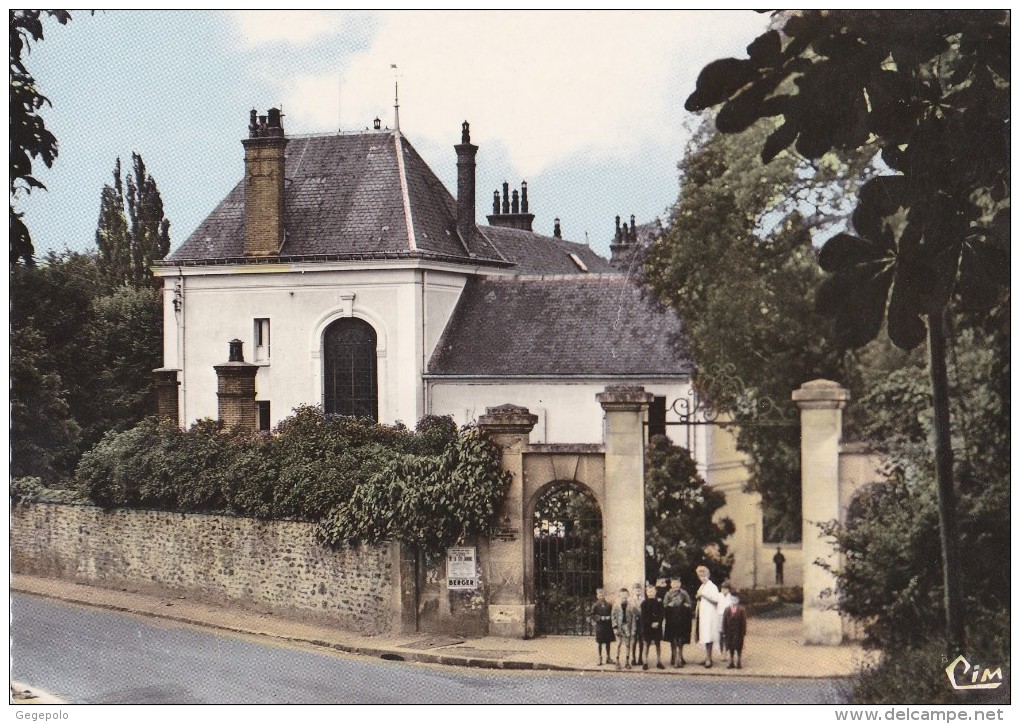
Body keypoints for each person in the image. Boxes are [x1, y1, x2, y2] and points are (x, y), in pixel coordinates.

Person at [694, 565, 723, 668]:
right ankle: (706, 656)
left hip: (710, 615)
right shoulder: (702, 586)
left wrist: (703, 595)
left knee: (709, 635)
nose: (703, 578)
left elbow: (716, 600)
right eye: (700, 576)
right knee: (704, 635)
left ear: (708, 575)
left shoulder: (712, 586)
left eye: (704, 575)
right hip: (703, 615)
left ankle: (709, 659)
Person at [662, 578, 693, 668]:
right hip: (671, 619)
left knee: (680, 639)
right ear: (671, 584)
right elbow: (664, 605)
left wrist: (686, 605)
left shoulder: (684, 593)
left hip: (682, 619)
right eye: (673, 583)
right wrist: (669, 605)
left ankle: (680, 657)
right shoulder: (668, 594)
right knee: (673, 639)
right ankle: (674, 656)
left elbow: (690, 604)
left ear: (680, 583)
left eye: (677, 583)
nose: (676, 585)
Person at [611, 586, 638, 669]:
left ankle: (627, 661)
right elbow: (613, 617)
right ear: (619, 596)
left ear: (628, 595)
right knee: (618, 644)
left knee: (627, 644)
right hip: (619, 627)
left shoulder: (631, 606)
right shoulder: (616, 605)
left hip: (627, 627)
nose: (624, 597)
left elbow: (634, 618)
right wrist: (615, 627)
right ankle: (617, 660)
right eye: (622, 595)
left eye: (625, 595)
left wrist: (633, 629)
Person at [640, 584, 666, 670]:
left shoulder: (659, 602)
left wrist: (658, 622)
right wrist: (650, 623)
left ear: (655, 592)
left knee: (658, 644)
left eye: (652, 591)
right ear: (646, 592)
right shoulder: (644, 603)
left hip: (657, 626)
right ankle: (645, 662)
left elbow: (662, 614)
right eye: (649, 591)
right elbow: (643, 616)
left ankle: (659, 661)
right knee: (646, 644)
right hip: (647, 627)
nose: (651, 593)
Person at [722, 594, 748, 669]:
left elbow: (744, 622)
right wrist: (724, 632)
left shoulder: (741, 610)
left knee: (738, 647)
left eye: (735, 599)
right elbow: (724, 622)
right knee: (730, 647)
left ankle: (739, 661)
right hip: (729, 632)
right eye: (732, 599)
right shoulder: (727, 610)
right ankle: (731, 662)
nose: (733, 601)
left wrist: (743, 632)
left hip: (738, 632)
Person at [591, 588, 615, 665]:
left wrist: (609, 617)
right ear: (597, 596)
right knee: (600, 643)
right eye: (599, 594)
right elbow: (592, 616)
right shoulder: (595, 605)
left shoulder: (609, 605)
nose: (601, 596)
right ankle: (600, 658)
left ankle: (608, 657)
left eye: (602, 594)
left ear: (605, 595)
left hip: (607, 626)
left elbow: (612, 614)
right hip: (600, 627)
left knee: (608, 643)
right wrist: (600, 618)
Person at [630, 582, 645, 666]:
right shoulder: (630, 600)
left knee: (641, 640)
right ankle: (633, 658)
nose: (637, 591)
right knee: (634, 640)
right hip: (633, 622)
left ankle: (640, 658)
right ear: (633, 591)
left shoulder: (643, 599)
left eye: (639, 590)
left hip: (641, 621)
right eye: (636, 590)